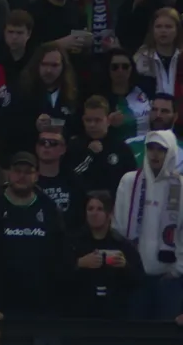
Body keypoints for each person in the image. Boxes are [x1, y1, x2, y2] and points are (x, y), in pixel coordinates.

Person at [0, 150, 67, 318]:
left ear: (37, 175)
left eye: (28, 172)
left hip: (41, 303)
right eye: (17, 171)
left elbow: (59, 254)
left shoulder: (50, 209)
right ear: (9, 173)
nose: (22, 176)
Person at [113, 129, 183, 321]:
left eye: (160, 149)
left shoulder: (181, 187)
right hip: (133, 275)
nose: (154, 153)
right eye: (150, 148)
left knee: (165, 340)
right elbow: (118, 227)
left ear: (170, 152)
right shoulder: (129, 181)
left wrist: (177, 270)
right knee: (134, 338)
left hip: (169, 278)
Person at [69, 189, 141, 317]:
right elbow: (58, 274)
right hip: (80, 315)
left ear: (109, 213)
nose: (94, 213)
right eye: (90, 209)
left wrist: (125, 266)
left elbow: (140, 281)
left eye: (99, 209)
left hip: (115, 315)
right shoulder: (73, 243)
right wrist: (79, 263)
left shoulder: (123, 245)